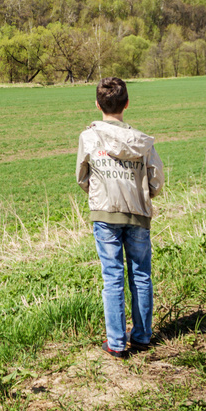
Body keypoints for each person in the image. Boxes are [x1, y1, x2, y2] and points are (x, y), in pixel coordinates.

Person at [76, 77, 164, 358]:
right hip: (138, 213)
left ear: (97, 104)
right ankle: (141, 336)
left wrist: (98, 192)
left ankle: (115, 343)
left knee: (112, 277)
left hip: (104, 214)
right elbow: (157, 181)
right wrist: (145, 193)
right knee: (141, 275)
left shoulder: (88, 137)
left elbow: (82, 176)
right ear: (126, 104)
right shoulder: (141, 141)